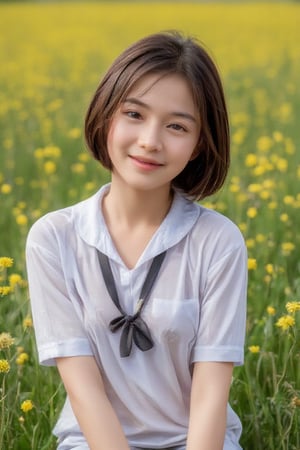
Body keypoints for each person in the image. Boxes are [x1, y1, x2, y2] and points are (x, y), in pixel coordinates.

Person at [26, 31, 247, 450]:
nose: (150, 140)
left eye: (177, 126)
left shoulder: (219, 242)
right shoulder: (53, 239)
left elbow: (210, 394)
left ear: (199, 144)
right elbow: (84, 390)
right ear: (105, 114)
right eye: (134, 114)